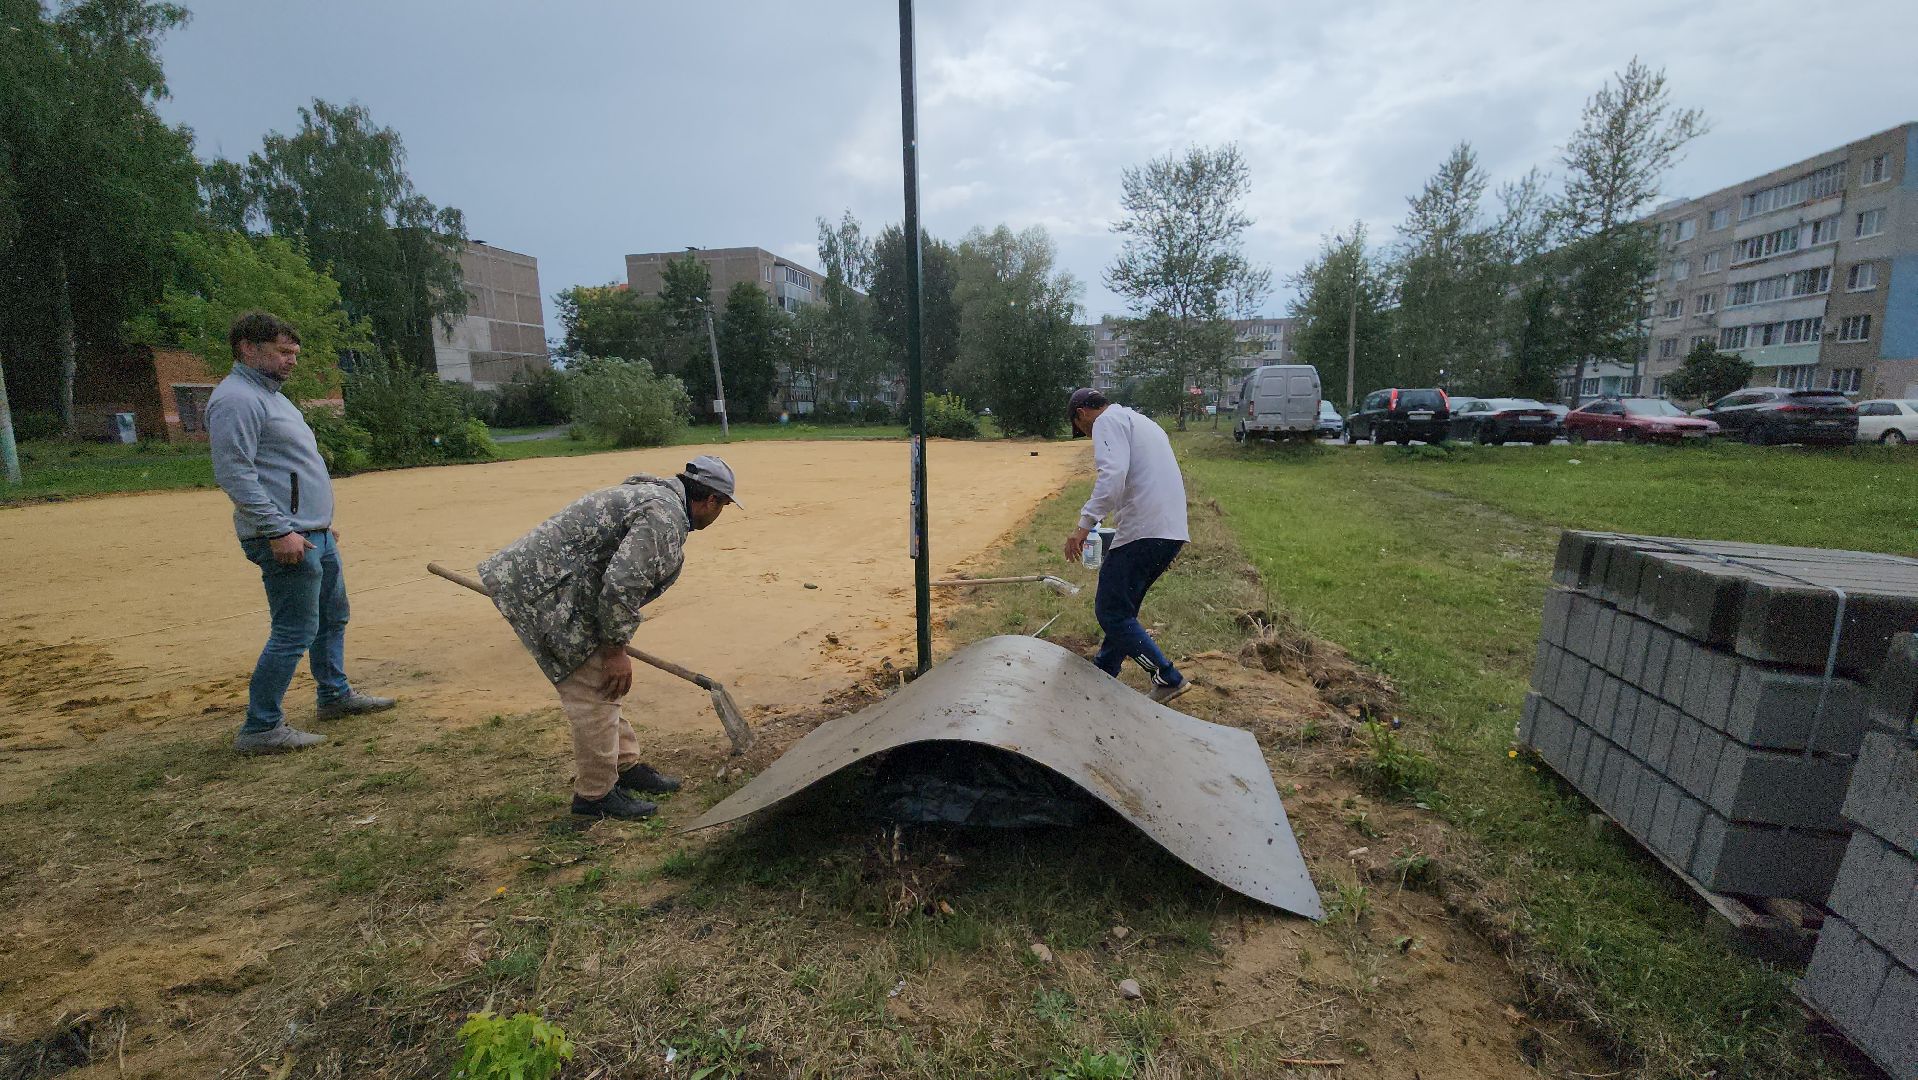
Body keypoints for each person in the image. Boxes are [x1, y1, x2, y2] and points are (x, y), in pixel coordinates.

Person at [480, 456, 741, 820]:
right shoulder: (663, 517)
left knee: (604, 685)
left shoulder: (658, 496)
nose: (720, 514)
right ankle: (594, 796)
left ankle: (625, 765)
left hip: (559, 584)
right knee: (595, 687)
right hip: (545, 588)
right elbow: (623, 584)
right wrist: (615, 648)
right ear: (711, 500)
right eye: (724, 505)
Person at [208, 311, 395, 755]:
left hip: (314, 533)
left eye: (295, 353)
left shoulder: (274, 396)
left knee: (332, 617)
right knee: (294, 629)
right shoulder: (236, 399)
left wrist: (320, 521)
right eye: (282, 352)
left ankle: (334, 695)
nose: (292, 361)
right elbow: (235, 473)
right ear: (248, 349)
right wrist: (279, 530)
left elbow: (286, 468)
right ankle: (260, 727)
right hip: (285, 538)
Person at [1064, 388, 1191, 705]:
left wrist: (1083, 526)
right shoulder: (1139, 420)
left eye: (1080, 429)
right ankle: (1104, 671)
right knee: (1123, 609)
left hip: (1144, 529)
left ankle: (1167, 677)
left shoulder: (1106, 422)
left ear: (1082, 414)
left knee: (1109, 610)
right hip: (1169, 530)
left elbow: (1113, 476)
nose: (1086, 434)